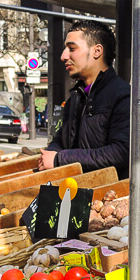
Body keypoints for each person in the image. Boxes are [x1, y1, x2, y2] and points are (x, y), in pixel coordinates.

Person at [39, 20, 130, 179]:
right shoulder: (76, 96)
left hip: (108, 195)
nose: (63, 56)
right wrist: (51, 152)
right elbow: (61, 139)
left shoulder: (123, 95)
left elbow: (121, 152)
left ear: (97, 51)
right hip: (74, 190)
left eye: (72, 48)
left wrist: (59, 159)